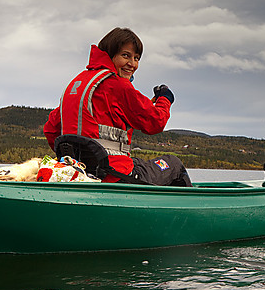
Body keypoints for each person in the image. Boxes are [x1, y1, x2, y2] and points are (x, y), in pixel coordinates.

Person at [43, 27, 192, 186]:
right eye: (125, 56)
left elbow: (51, 130)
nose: (132, 64)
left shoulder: (77, 84)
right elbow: (156, 122)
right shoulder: (119, 86)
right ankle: (190, 208)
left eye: (136, 58)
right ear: (109, 54)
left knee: (137, 161)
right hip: (115, 175)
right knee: (173, 163)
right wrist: (165, 99)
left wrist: (80, 161)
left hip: (81, 173)